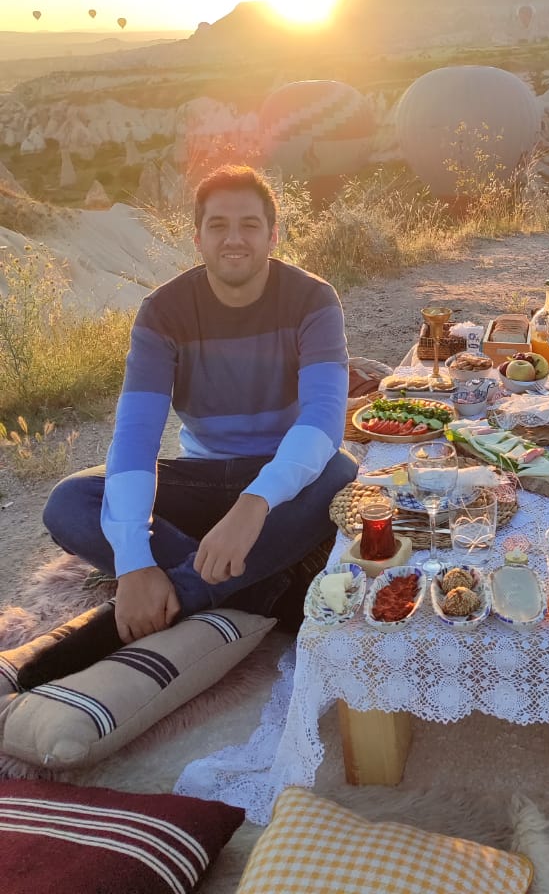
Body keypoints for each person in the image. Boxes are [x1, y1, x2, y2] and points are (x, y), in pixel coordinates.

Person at [21, 164, 358, 688]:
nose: (234, 239)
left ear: (273, 234)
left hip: (283, 490)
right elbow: (135, 439)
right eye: (219, 225)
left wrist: (255, 504)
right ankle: (256, 592)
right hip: (201, 476)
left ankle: (178, 594)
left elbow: (320, 423)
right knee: (70, 500)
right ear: (198, 237)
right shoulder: (163, 313)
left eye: (249, 224)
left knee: (338, 470)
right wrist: (133, 563)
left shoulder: (313, 300)